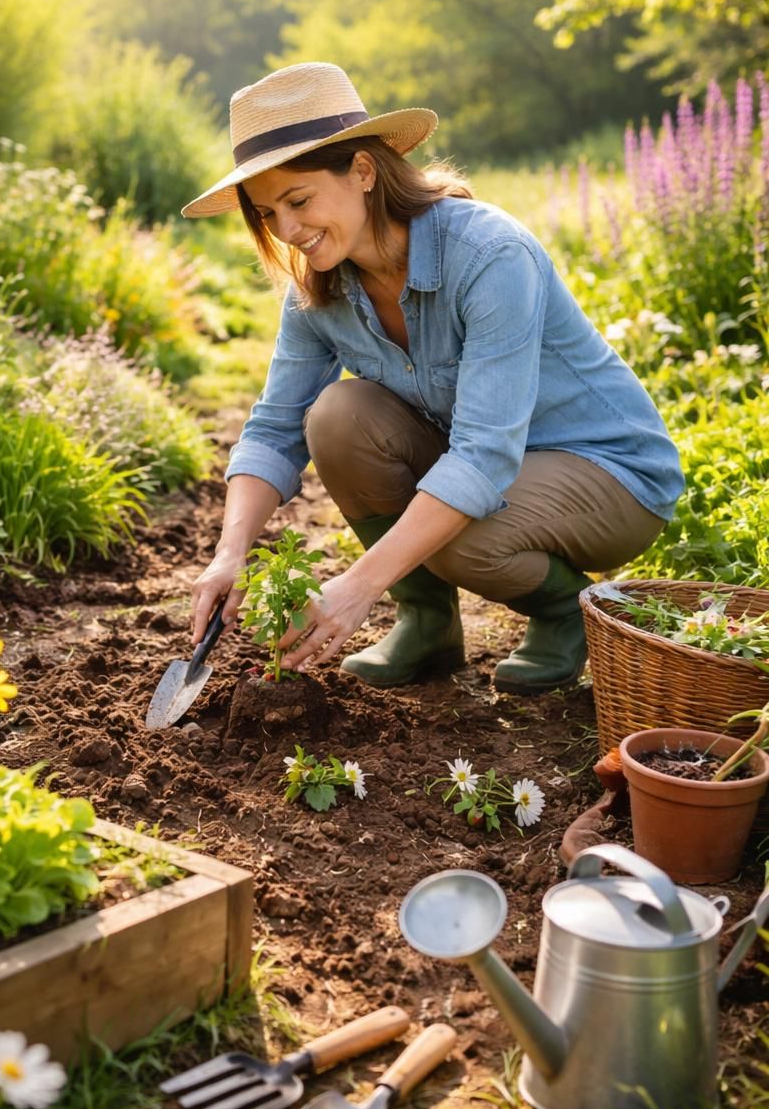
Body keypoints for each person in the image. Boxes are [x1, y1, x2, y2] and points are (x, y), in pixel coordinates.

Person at [184, 62, 684, 693]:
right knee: (337, 419)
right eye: (267, 213)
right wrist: (230, 553)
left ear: (363, 171)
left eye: (299, 200)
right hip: (502, 469)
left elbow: (481, 457)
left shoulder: (490, 256)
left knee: (457, 535)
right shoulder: (320, 293)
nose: (287, 231)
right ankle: (427, 623)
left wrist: (357, 586)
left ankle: (567, 615)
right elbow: (275, 427)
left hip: (609, 472)